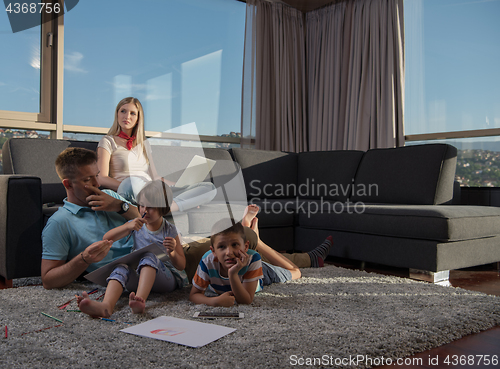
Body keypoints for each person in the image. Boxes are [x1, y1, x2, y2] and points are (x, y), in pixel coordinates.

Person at [77, 180, 187, 317]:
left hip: (167, 279)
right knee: (120, 266)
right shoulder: (135, 225)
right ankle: (106, 306)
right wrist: (127, 227)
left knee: (150, 256)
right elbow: (107, 237)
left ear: (163, 208)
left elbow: (181, 265)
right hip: (141, 276)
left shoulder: (170, 230)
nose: (144, 211)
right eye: (141, 205)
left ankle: (139, 300)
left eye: (151, 207)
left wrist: (172, 252)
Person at [41, 147, 140, 290]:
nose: (97, 184)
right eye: (88, 180)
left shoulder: (109, 195)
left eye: (97, 176)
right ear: (68, 184)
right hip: (123, 276)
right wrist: (84, 259)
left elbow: (145, 219)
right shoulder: (60, 222)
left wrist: (118, 205)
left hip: (152, 257)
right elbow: (48, 281)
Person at [96, 96, 216, 211]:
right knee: (132, 182)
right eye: (123, 111)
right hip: (129, 189)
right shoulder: (108, 141)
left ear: (138, 118)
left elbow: (155, 177)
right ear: (117, 114)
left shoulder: (144, 144)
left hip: (152, 190)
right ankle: (175, 205)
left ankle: (168, 207)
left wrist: (179, 186)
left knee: (209, 188)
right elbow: (102, 178)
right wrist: (131, 186)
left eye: (132, 113)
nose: (127, 116)